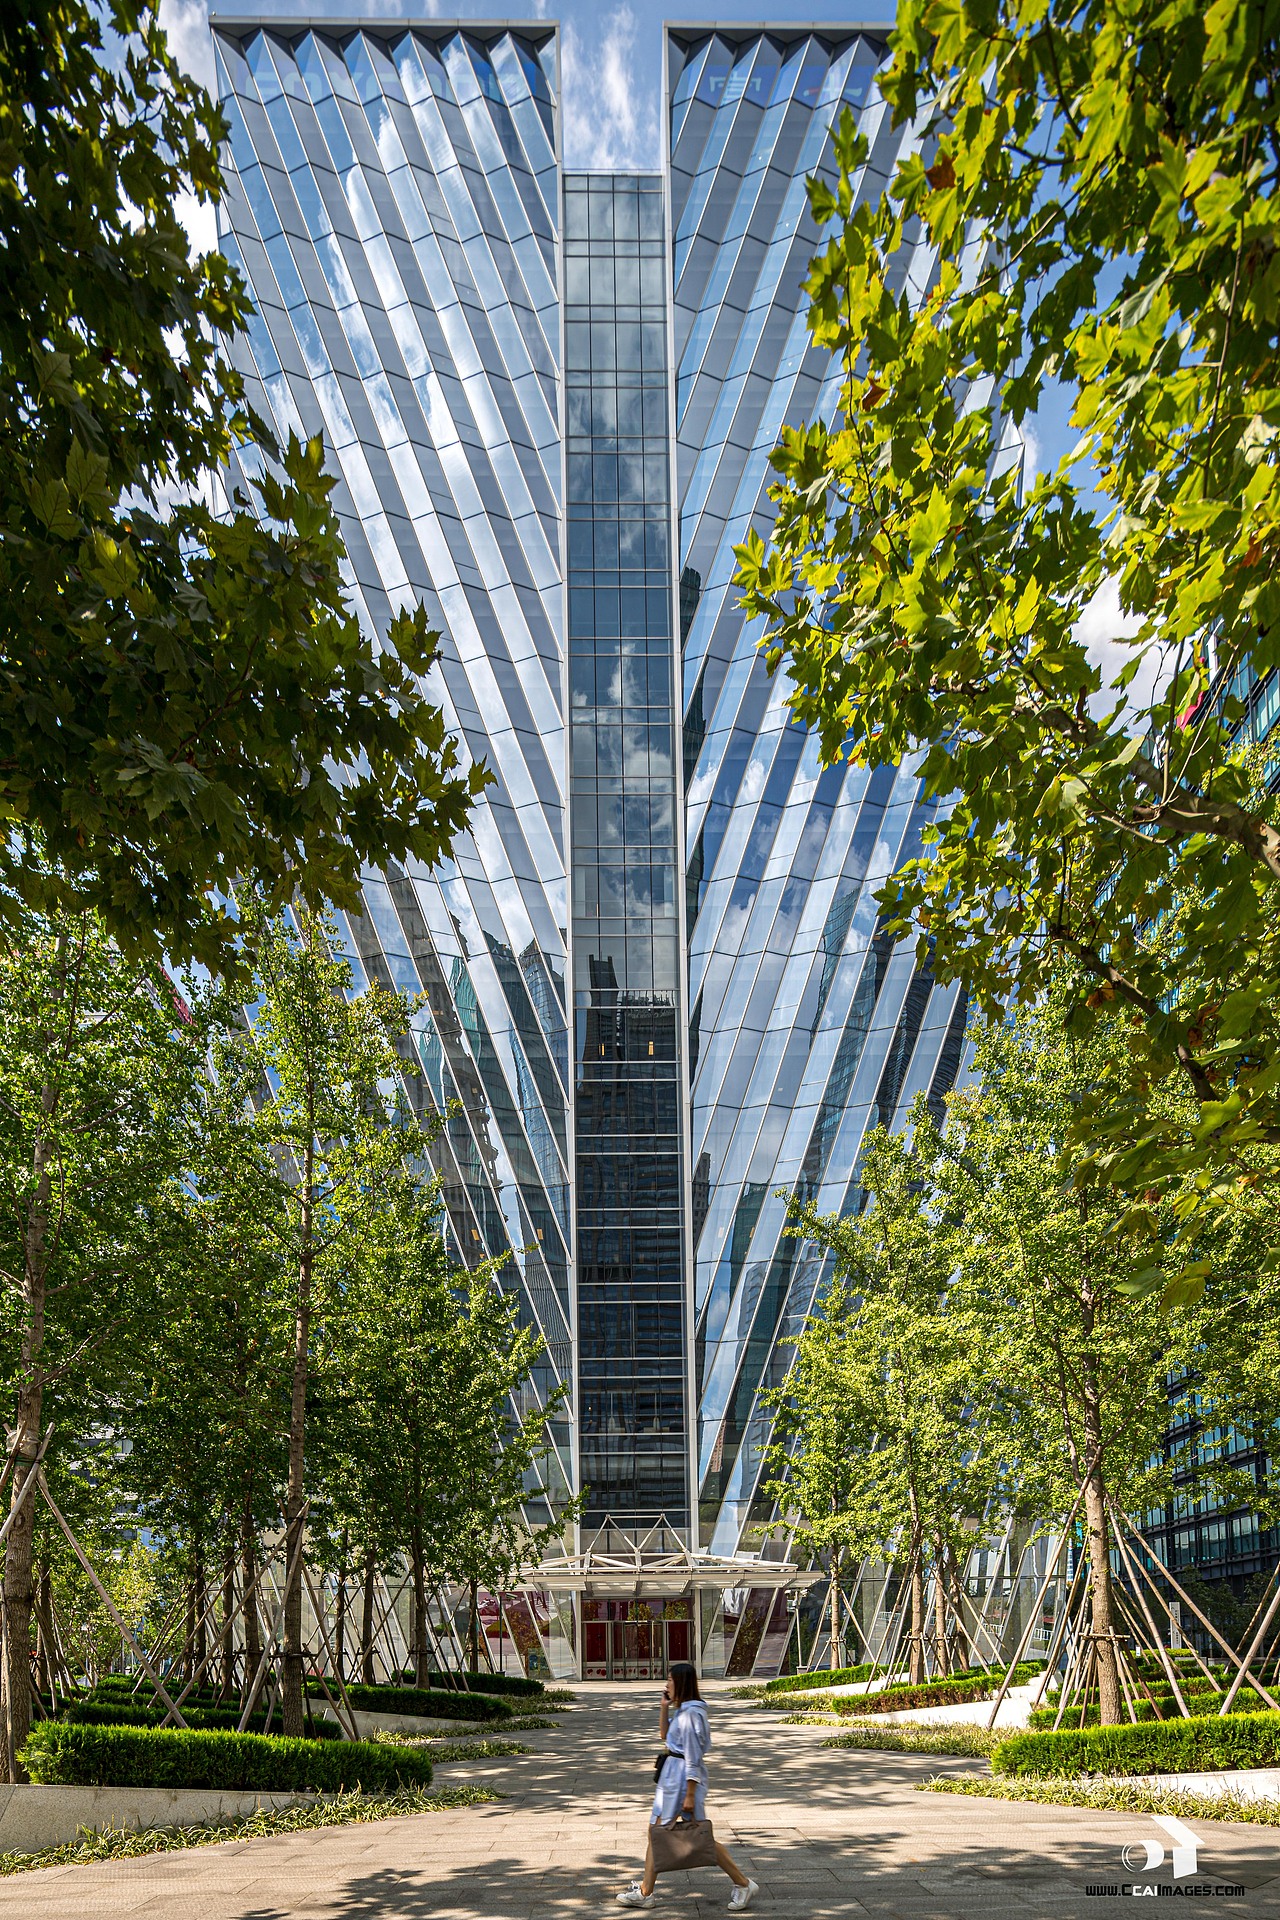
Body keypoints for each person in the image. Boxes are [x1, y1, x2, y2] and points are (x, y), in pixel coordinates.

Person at [616, 1661, 759, 1910]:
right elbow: (664, 1735)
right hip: (671, 1778)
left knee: (699, 1837)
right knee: (656, 1831)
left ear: (681, 1683)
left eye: (670, 1680)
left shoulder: (692, 1714)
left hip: (683, 1780)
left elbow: (693, 1757)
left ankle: (743, 1883)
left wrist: (690, 1794)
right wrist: (664, 1707)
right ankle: (645, 1891)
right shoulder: (682, 1710)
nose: (666, 1684)